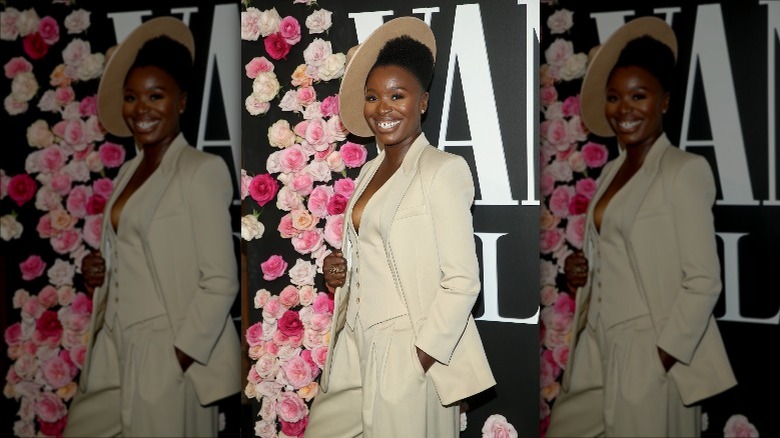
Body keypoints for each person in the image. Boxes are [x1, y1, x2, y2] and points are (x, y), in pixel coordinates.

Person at [304, 17, 495, 437]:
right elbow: (374, 249)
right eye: (372, 97)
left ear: (422, 102)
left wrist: (420, 356)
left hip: (405, 348)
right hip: (352, 343)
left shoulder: (443, 170)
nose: (382, 108)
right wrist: (342, 269)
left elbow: (462, 281)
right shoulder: (368, 173)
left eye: (397, 95)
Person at [546, 17, 736, 437]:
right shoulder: (611, 172)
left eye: (638, 95)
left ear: (664, 101)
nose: (624, 109)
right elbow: (618, 249)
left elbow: (703, 280)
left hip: (647, 349)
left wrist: (661, 356)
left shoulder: (684, 171)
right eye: (614, 97)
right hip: (594, 346)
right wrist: (585, 271)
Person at [63, 17, 240, 437]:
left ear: (181, 102)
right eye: (131, 97)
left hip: (165, 348)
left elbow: (220, 280)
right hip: (111, 346)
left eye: (155, 96)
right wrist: (100, 271)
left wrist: (178, 355)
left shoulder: (202, 171)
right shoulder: (127, 172)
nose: (141, 109)